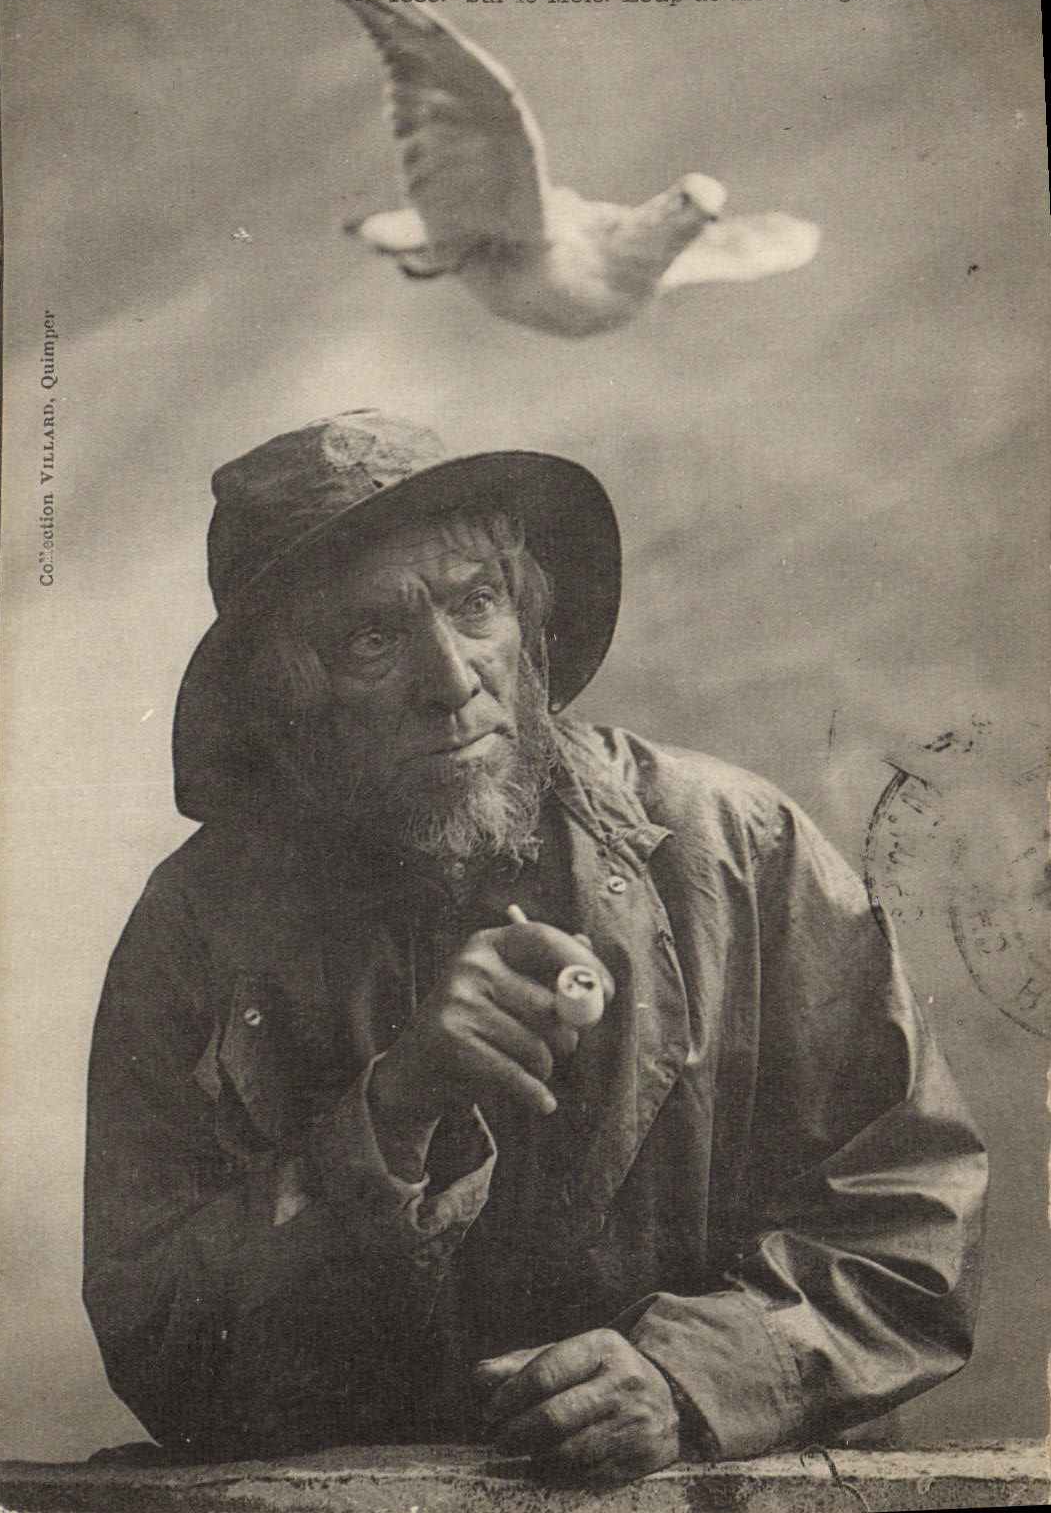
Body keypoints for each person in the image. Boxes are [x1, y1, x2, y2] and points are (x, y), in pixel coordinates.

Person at [84, 412, 987, 1484]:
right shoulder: (198, 926)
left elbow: (911, 1230)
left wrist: (692, 1377)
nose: (453, 675)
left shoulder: (740, 849)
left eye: (476, 602)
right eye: (373, 638)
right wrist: (388, 1117)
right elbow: (163, 1344)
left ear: (528, 614)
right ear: (288, 696)